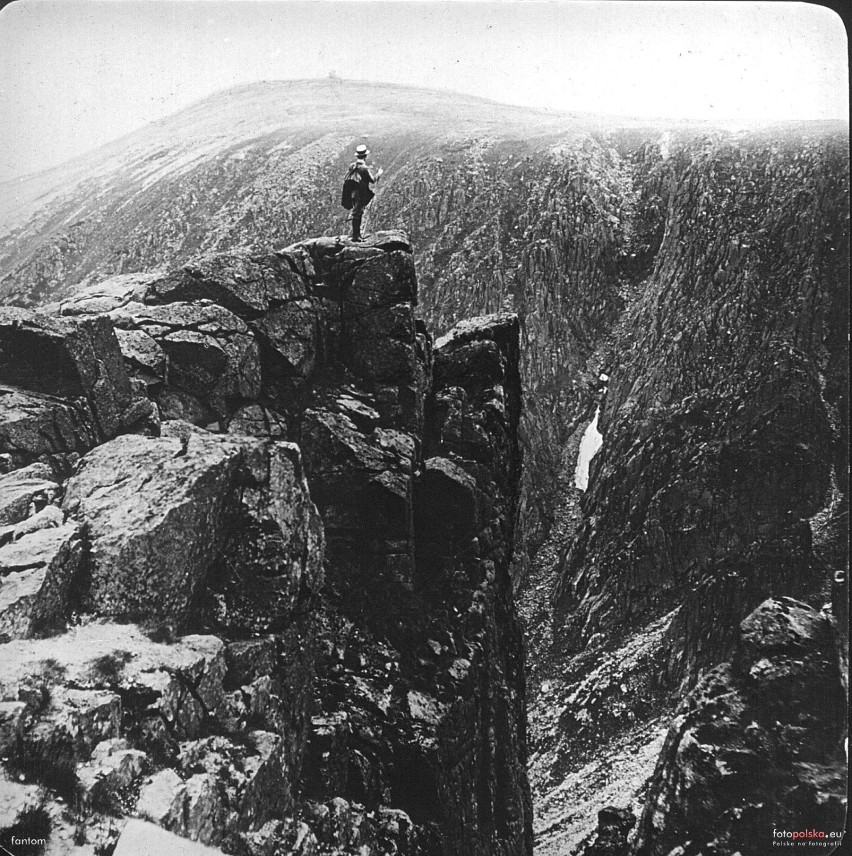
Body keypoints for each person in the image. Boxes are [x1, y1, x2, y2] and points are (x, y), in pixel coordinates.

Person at [348, 144, 383, 242]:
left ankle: (356, 235)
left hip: (352, 193)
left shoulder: (352, 166)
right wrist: (379, 173)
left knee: (356, 212)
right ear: (365, 156)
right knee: (357, 213)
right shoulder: (364, 168)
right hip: (361, 193)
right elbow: (372, 180)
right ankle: (356, 236)